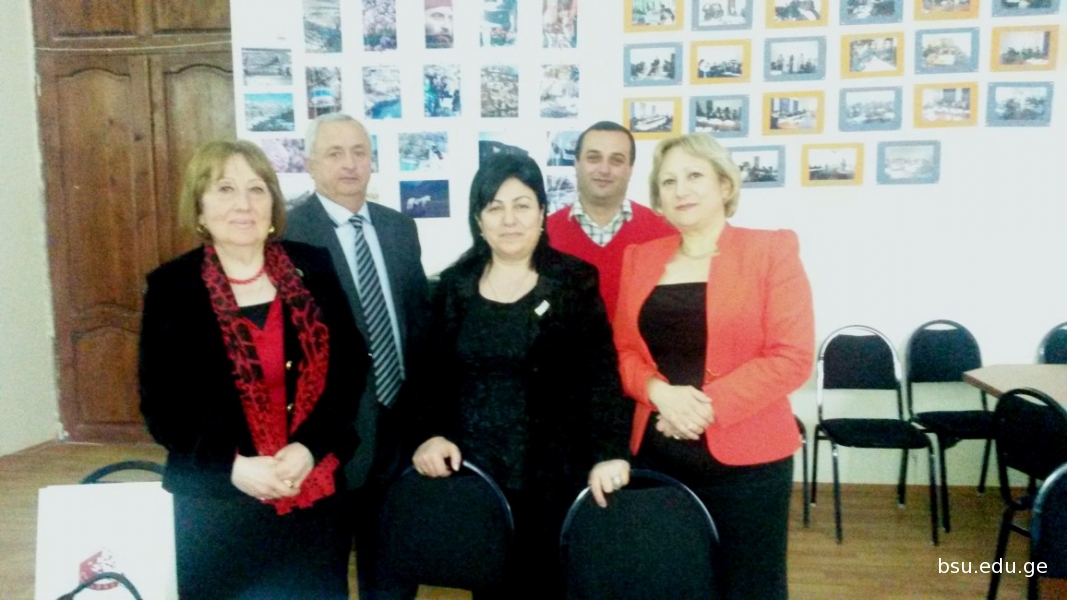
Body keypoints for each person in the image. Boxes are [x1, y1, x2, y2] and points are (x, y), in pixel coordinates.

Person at [139, 140, 368, 598]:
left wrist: (309, 448)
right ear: (200, 209)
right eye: (225, 189)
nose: (243, 204)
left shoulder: (313, 266)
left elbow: (350, 368)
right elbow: (161, 406)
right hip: (217, 501)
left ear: (272, 206)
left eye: (256, 189)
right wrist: (233, 466)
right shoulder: (172, 287)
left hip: (312, 488)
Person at [412, 153, 632, 597]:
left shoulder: (573, 281)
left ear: (542, 212)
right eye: (495, 207)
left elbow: (600, 375)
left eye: (522, 205)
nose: (509, 219)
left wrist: (610, 452)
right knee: (491, 586)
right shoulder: (453, 286)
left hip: (557, 476)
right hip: (476, 477)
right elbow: (429, 376)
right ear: (479, 219)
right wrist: (430, 434)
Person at [612, 132, 815, 600]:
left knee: (749, 586)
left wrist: (700, 409)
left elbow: (792, 356)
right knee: (668, 582)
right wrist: (660, 394)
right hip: (659, 452)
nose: (680, 189)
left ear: (725, 185)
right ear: (658, 198)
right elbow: (623, 352)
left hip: (748, 461)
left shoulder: (771, 251)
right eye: (668, 181)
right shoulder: (639, 259)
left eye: (694, 176)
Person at [285, 113, 430, 599]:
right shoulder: (287, 234)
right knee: (324, 566)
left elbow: (416, 321)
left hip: (400, 424)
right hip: (332, 431)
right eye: (335, 153)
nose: (349, 164)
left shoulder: (399, 228)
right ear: (310, 163)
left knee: (393, 564)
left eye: (359, 152)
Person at [546, 121, 675, 321]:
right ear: (576, 164)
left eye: (616, 160)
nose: (604, 169)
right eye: (593, 158)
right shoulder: (542, 235)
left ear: (630, 169)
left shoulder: (666, 234)